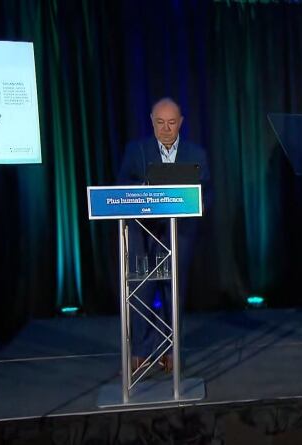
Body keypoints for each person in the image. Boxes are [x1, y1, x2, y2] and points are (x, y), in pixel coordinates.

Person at [117, 97, 210, 372]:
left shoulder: (196, 154)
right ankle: (142, 351)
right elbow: (122, 184)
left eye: (171, 123)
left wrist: (200, 204)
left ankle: (172, 350)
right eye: (160, 122)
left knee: (174, 292)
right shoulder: (137, 151)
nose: (166, 129)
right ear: (152, 121)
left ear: (180, 122)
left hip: (178, 232)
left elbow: (207, 192)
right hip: (142, 232)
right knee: (142, 289)